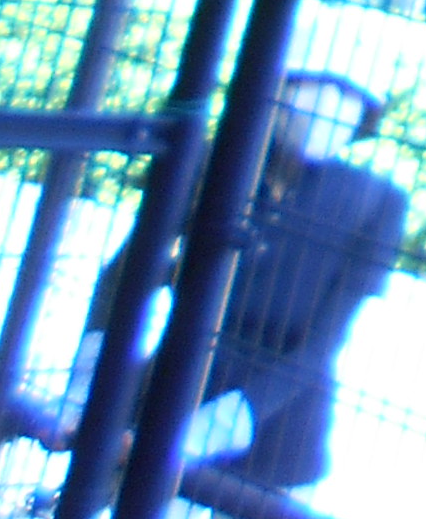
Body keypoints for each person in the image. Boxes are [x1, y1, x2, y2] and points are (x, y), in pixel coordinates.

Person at [77, 72, 406, 500]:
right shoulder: (215, 164)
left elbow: (324, 342)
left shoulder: (378, 200)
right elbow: (125, 274)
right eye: (315, 85)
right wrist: (89, 378)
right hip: (169, 393)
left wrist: (218, 426)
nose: (328, 104)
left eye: (348, 95)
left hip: (277, 437)